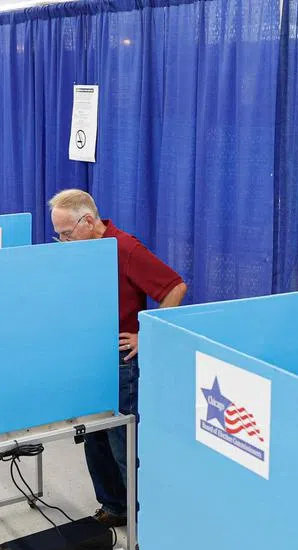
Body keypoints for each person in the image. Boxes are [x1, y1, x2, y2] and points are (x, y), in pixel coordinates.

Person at [49, 190, 187, 527]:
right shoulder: (85, 249)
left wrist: (148, 333)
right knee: (93, 437)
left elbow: (175, 287)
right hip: (91, 357)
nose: (64, 241)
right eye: (59, 236)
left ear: (89, 222)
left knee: (123, 442)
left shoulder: (124, 248)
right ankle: (114, 505)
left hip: (121, 361)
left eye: (67, 234)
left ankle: (144, 520)